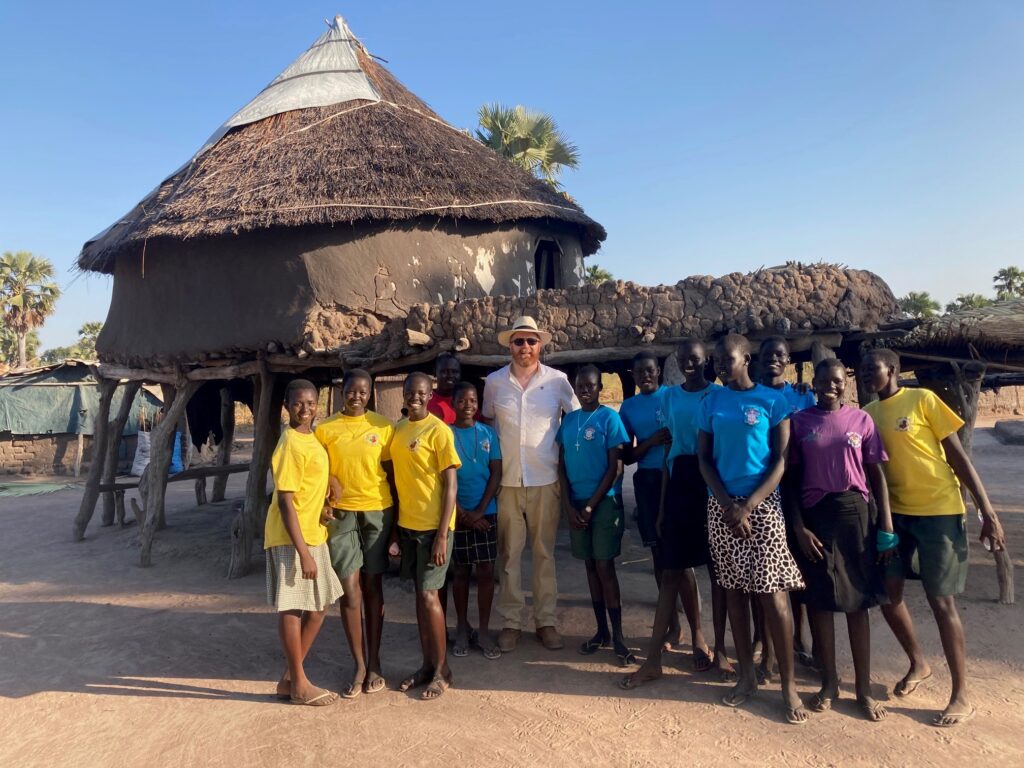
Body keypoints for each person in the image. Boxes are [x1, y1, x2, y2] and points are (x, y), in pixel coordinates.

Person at [860, 349, 1006, 727]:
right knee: (888, 596)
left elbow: (958, 457)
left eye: (871, 369)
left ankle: (961, 695)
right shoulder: (869, 416)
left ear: (890, 370)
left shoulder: (922, 400)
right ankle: (918, 662)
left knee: (942, 603)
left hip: (939, 511)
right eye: (862, 370)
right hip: (897, 518)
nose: (865, 375)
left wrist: (987, 512)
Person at [697, 334, 808, 725]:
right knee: (734, 593)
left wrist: (750, 504)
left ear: (746, 358)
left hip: (763, 506)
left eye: (728, 359)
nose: (721, 366)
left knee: (772, 596)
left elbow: (780, 460)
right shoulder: (711, 401)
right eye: (717, 361)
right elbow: (704, 460)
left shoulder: (773, 401)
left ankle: (788, 686)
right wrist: (729, 505)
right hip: (722, 508)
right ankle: (746, 676)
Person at [620, 339, 734, 690]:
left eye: (695, 360)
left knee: (718, 574)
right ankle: (653, 659)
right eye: (683, 359)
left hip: (712, 481)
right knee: (672, 571)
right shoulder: (669, 397)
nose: (689, 364)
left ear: (707, 362)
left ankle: (717, 649)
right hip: (680, 481)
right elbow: (671, 453)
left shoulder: (718, 396)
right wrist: (663, 506)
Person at [788, 358, 895, 721]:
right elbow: (790, 481)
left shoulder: (861, 421)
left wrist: (887, 525)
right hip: (816, 516)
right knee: (819, 599)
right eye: (824, 381)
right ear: (813, 383)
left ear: (844, 384)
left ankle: (863, 689)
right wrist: (799, 528)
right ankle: (829, 682)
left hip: (855, 514)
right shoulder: (799, 423)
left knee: (857, 601)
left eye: (837, 381)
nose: (830, 386)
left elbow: (875, 473)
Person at [481, 316, 579, 652]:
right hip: (507, 482)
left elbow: (575, 421)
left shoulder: (558, 381)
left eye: (531, 341)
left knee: (543, 554)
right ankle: (511, 623)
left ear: (541, 345)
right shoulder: (494, 382)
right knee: (508, 555)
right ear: (510, 345)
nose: (525, 348)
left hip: (544, 479)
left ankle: (545, 621)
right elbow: (489, 426)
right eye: (519, 341)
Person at [315, 369, 395, 698]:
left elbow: (393, 475)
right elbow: (316, 472)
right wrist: (321, 503)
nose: (357, 396)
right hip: (341, 514)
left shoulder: (383, 427)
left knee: (373, 584)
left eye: (363, 392)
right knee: (350, 589)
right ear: (341, 391)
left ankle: (374, 660)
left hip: (378, 510)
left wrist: (398, 527)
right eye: (351, 391)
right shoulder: (325, 429)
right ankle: (359, 663)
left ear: (371, 393)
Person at [266, 379, 343, 706]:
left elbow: (309, 483)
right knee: (293, 606)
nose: (306, 409)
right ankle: (298, 682)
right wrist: (303, 553)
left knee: (321, 603)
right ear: (286, 405)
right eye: (298, 403)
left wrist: (328, 490)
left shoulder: (310, 438)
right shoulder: (289, 444)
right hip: (291, 536)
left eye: (311, 403)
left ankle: (289, 678)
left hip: (314, 531)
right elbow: (285, 501)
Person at [391, 372, 462, 700]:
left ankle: (442, 670)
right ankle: (426, 664)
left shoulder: (439, 431)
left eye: (421, 393)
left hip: (435, 529)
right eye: (410, 393)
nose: (415, 398)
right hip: (409, 527)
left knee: (431, 596)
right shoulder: (399, 430)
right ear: (404, 394)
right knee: (420, 598)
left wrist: (443, 535)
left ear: (429, 394)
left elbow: (450, 486)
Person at [557, 365, 633, 664]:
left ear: (601, 388)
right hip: (576, 504)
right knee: (589, 566)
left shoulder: (609, 418)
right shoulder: (570, 421)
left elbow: (616, 468)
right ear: (575, 388)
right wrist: (569, 505)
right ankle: (600, 631)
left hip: (603, 504)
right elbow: (561, 466)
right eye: (581, 386)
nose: (585, 390)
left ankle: (619, 636)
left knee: (605, 568)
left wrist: (590, 506)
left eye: (591, 385)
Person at [759, 335, 818, 672]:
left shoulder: (803, 396)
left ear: (788, 361)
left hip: (797, 485)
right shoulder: (753, 393)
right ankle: (764, 644)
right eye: (768, 353)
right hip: (763, 487)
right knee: (766, 576)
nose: (773, 359)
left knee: (796, 569)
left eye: (780, 355)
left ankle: (798, 640)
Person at [450, 381, 503, 660]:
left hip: (486, 513)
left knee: (485, 571)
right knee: (460, 572)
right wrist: (462, 514)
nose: (468, 406)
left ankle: (482, 630)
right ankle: (461, 627)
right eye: (462, 400)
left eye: (472, 400)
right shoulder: (445, 435)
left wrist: (480, 511)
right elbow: (441, 480)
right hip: (456, 515)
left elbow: (496, 473)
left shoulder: (488, 434)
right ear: (454, 403)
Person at [427, 352, 462, 425]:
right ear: (434, 372)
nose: (450, 375)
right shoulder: (425, 400)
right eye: (444, 371)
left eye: (455, 372)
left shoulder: (467, 402)